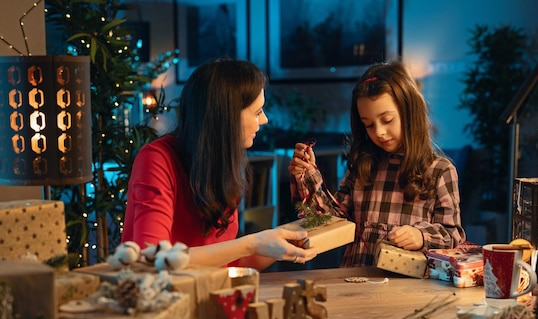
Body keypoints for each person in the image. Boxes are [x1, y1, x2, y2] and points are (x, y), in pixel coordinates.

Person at [122, 58, 318, 271]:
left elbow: (227, 261)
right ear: (227, 116)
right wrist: (251, 243)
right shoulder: (157, 159)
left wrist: (285, 242)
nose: (264, 120)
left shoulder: (223, 165)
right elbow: (154, 258)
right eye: (257, 112)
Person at [288, 60, 466, 267]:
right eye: (369, 125)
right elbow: (330, 219)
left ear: (410, 113)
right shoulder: (362, 166)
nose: (379, 132)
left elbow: (452, 233)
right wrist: (308, 175)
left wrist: (420, 235)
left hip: (408, 289)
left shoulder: (439, 171)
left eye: (387, 120)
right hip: (355, 280)